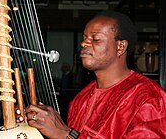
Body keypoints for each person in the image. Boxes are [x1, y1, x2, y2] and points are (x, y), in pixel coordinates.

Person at [23, 10, 166, 138]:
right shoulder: (81, 99)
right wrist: (35, 127)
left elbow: (68, 135)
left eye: (95, 39)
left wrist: (65, 134)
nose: (84, 43)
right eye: (84, 37)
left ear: (120, 46)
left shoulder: (149, 98)